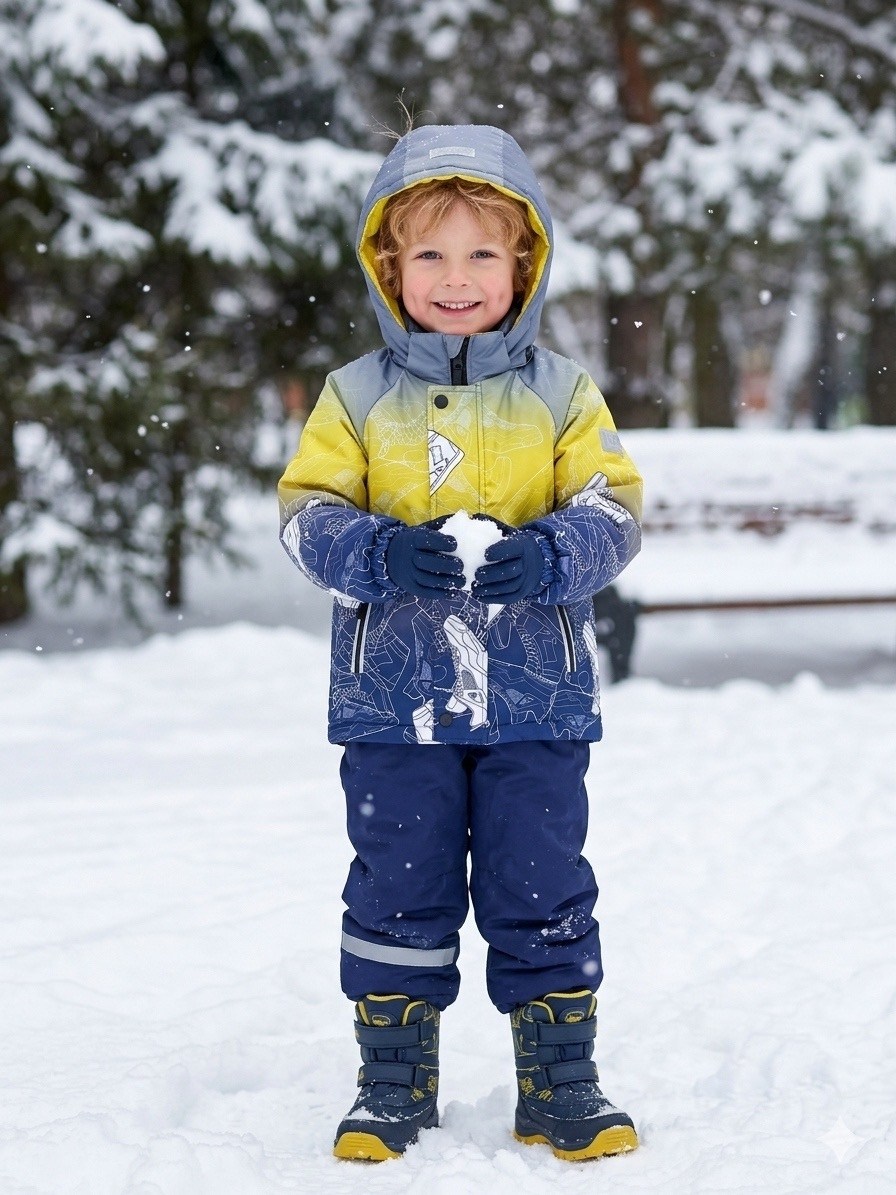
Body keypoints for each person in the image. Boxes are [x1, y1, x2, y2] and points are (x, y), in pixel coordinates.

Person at [278, 123, 643, 1164]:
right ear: (387, 264)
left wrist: (558, 551)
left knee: (541, 875)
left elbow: (612, 505)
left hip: (536, 692)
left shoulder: (563, 393)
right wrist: (375, 555)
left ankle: (559, 1078)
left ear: (521, 263)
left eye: (481, 252)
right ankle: (392, 1079)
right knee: (397, 875)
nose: (454, 277)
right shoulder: (354, 397)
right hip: (395, 699)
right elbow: (304, 514)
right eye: (428, 254)